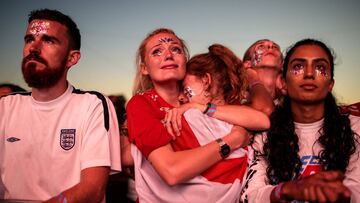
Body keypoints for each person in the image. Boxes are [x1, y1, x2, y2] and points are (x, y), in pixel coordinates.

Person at [126, 28, 269, 203]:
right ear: (144, 68)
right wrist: (233, 140)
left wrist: (200, 106)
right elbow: (172, 172)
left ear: (184, 60)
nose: (168, 55)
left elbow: (262, 117)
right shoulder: (142, 104)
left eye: (176, 49)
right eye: (157, 51)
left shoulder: (205, 97)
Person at [0, 9, 121, 202]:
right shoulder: (4, 107)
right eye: (29, 39)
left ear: (72, 58)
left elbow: (93, 190)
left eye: (48, 40)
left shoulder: (92, 104)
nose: (34, 47)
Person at [240, 39, 360, 203]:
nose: (309, 74)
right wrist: (289, 189)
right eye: (298, 66)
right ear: (283, 82)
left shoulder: (354, 128)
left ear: (330, 84)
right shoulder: (265, 134)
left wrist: (337, 194)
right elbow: (250, 195)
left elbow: (357, 189)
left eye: (320, 67)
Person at [242, 39, 285, 116]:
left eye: (275, 47)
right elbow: (265, 110)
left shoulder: (290, 100)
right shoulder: (237, 100)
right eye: (261, 46)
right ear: (248, 63)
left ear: (281, 64)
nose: (270, 47)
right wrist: (252, 77)